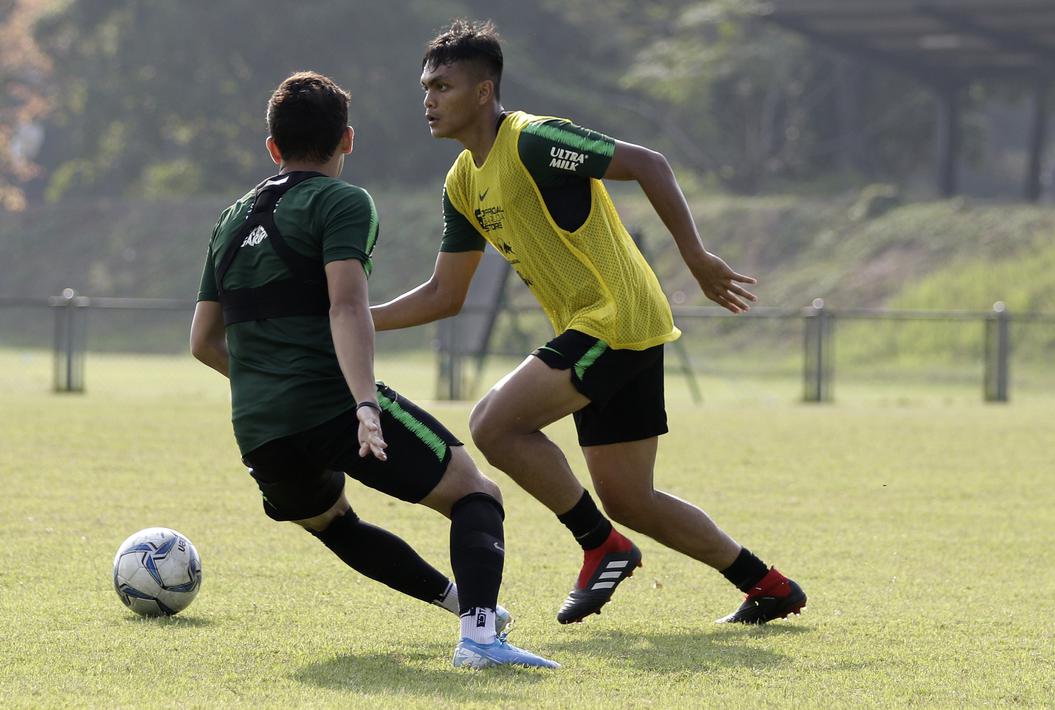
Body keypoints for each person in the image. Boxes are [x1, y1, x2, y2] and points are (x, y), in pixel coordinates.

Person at [371, 21, 806, 626]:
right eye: (425, 87)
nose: (428, 99)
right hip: (610, 327)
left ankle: (600, 545)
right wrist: (355, 322)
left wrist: (698, 259)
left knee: (493, 425)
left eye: (442, 85)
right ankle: (769, 586)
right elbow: (446, 294)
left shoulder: (535, 140)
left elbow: (650, 164)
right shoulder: (462, 182)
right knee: (631, 499)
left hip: (616, 318)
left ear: (482, 91)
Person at [189, 71, 557, 669]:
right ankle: (482, 640)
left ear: (272, 148)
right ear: (348, 140)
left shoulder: (230, 221)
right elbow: (347, 304)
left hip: (259, 428)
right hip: (332, 404)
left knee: (333, 523)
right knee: (476, 494)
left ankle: (461, 602)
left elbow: (203, 341)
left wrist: (268, 382)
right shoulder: (341, 201)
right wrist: (363, 403)